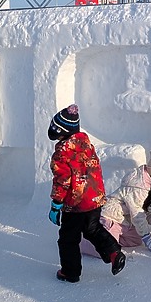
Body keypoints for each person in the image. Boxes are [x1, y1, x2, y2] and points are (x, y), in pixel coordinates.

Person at [48, 104, 126, 282]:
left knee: (68, 239)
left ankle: (70, 272)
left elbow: (62, 180)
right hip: (94, 198)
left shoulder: (62, 152)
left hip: (75, 203)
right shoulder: (86, 144)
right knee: (92, 229)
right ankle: (114, 252)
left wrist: (56, 203)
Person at [81, 150, 151, 257]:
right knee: (106, 251)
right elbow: (137, 215)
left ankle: (111, 237)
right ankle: (86, 239)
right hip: (110, 217)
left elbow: (142, 209)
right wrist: (147, 237)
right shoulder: (138, 188)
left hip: (123, 220)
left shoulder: (146, 183)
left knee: (136, 240)